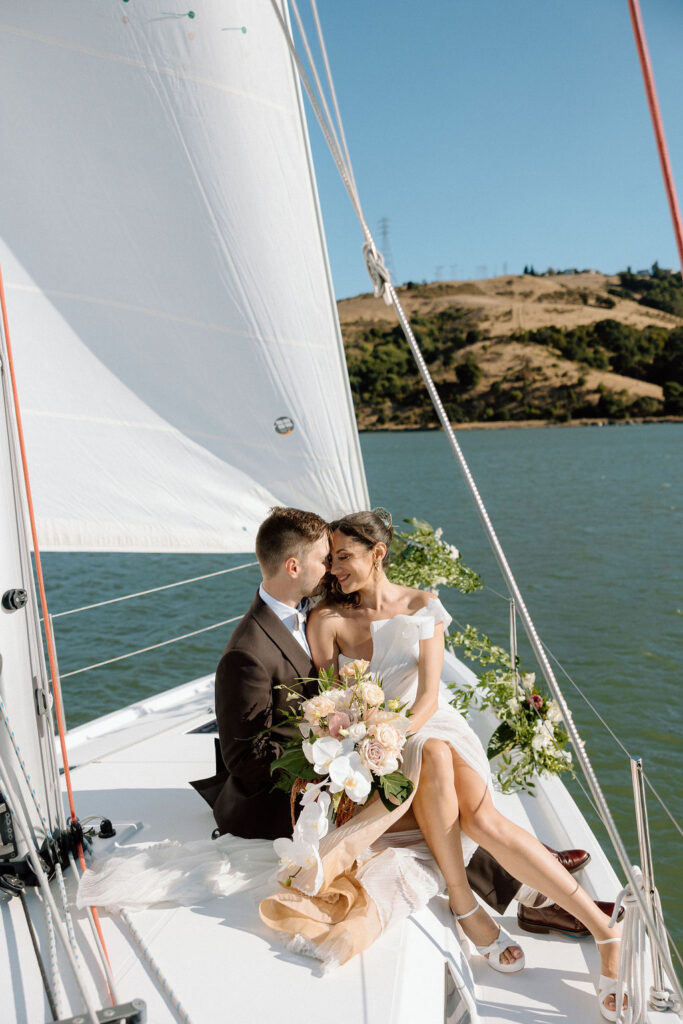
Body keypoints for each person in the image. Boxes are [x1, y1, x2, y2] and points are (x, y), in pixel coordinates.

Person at [258, 510, 625, 1020]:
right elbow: (331, 700)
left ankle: (595, 930)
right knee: (437, 766)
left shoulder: (424, 606)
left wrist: (392, 734)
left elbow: (429, 697)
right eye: (331, 558)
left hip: (426, 727)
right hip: (376, 747)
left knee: (480, 815)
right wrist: (364, 738)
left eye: (344, 556)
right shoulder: (328, 621)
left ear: (377, 553)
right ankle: (480, 906)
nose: (334, 568)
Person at [192, 505, 591, 933]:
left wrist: (355, 748)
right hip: (277, 797)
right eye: (325, 559)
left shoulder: (305, 612)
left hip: (338, 756)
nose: (330, 569)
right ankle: (532, 887)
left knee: (435, 782)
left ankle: (530, 871)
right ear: (293, 566)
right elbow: (246, 763)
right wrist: (334, 773)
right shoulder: (246, 651)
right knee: (427, 804)